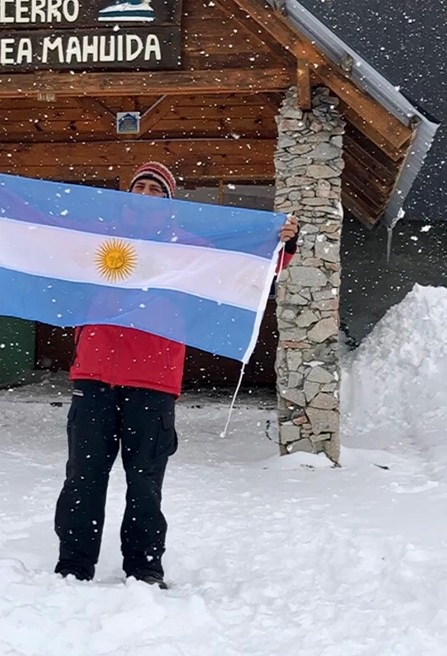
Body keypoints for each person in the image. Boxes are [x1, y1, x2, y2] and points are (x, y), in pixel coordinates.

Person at [54, 161, 299, 588]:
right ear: (126, 196)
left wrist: (280, 243)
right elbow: (38, 239)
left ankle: (144, 569)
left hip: (153, 382)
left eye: (156, 189)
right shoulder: (98, 243)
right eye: (140, 187)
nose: (146, 194)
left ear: (169, 203)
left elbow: (244, 271)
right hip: (94, 377)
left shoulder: (187, 250)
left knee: (145, 482)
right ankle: (74, 566)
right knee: (82, 478)